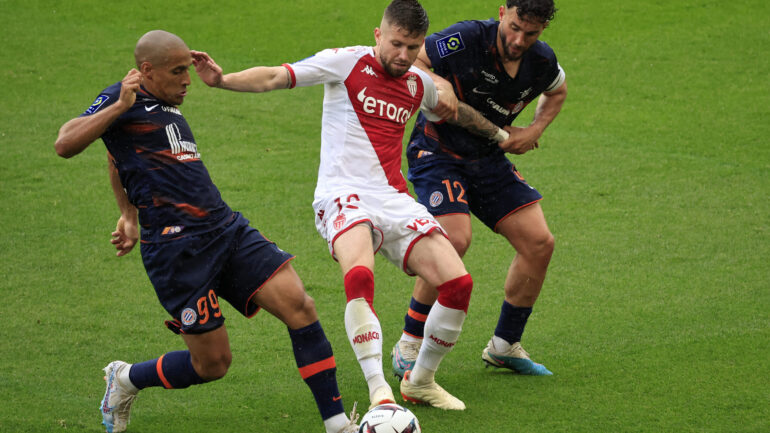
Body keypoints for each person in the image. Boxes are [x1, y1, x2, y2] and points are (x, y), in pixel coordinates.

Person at [192, 0, 518, 411]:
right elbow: (276, 76)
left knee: (458, 283)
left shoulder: (419, 82)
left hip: (393, 198)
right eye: (396, 44)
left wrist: (503, 136)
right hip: (342, 194)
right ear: (378, 35)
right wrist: (221, 80)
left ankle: (420, 382)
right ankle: (379, 391)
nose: (402, 56)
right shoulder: (346, 63)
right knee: (360, 276)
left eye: (412, 47)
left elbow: (456, 112)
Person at [54, 30, 359, 433]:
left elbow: (116, 157)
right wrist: (118, 108)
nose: (187, 80)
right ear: (147, 70)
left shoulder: (165, 101)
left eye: (187, 70)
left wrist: (127, 214)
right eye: (177, 71)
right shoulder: (122, 98)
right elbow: (65, 143)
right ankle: (126, 378)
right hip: (177, 251)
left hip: (225, 228)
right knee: (212, 364)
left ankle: (337, 425)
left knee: (300, 307)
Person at [391, 0, 568, 378]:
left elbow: (557, 91)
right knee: (454, 240)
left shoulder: (541, 61)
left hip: (488, 160)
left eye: (531, 33)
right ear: (503, 11)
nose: (519, 40)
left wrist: (534, 130)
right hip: (437, 152)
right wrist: (435, 81)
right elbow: (417, 61)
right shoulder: (465, 38)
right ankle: (409, 340)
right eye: (515, 26)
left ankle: (504, 345)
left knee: (540, 243)